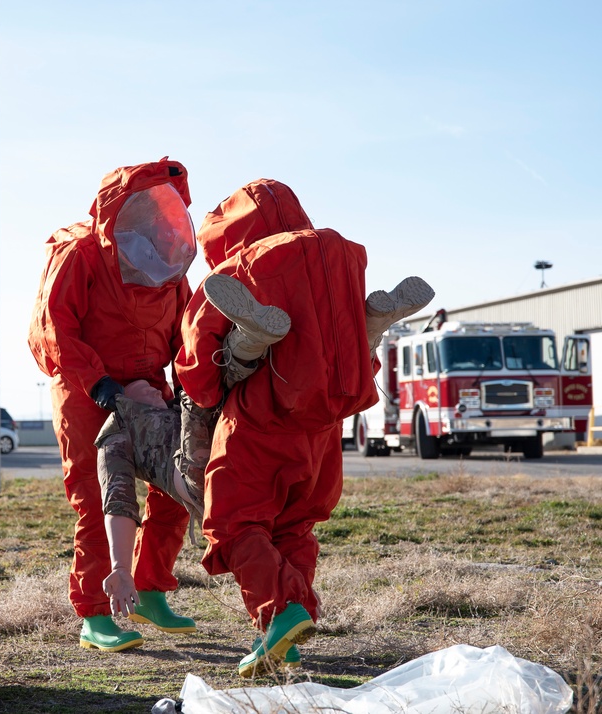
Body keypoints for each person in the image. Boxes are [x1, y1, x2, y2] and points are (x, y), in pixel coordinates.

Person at [175, 178, 434, 677]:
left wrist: (210, 387)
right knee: (293, 526)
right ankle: (284, 641)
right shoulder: (341, 255)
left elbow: (196, 365)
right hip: (323, 424)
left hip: (261, 416)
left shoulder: (242, 262)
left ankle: (282, 613)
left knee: (233, 524)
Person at [28, 157, 200, 652]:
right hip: (88, 391)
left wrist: (186, 388)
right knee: (95, 498)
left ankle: (148, 587)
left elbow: (185, 333)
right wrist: (104, 386)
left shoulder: (169, 257)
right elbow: (53, 328)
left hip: (147, 387)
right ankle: (95, 614)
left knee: (176, 482)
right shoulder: (78, 253)